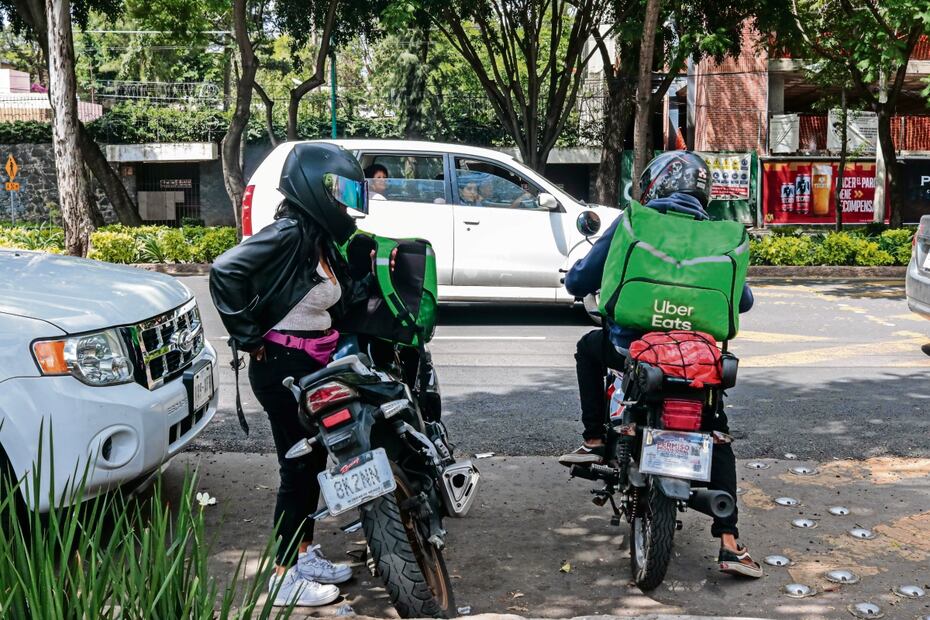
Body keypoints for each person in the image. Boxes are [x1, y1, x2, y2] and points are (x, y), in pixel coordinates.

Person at [558, 150, 762, 579]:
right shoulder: (720, 234)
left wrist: (574, 279)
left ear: (654, 185)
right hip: (695, 362)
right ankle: (729, 540)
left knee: (586, 347)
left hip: (631, 352)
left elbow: (580, 279)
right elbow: (743, 300)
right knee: (716, 429)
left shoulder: (633, 222)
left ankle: (595, 438)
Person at [210, 143, 374, 607]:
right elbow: (224, 271)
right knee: (297, 467)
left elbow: (336, 304)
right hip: (283, 368)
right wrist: (250, 337)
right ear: (313, 187)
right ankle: (283, 577)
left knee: (307, 463)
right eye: (339, 191)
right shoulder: (286, 232)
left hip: (309, 364)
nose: (346, 203)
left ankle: (302, 554)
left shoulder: (315, 238)